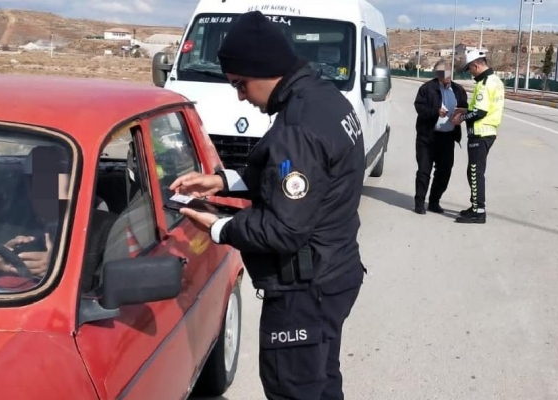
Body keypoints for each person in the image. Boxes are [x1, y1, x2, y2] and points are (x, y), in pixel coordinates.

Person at [168, 10, 366, 400]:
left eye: (240, 84)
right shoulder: (326, 99)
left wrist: (218, 226)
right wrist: (224, 181)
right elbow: (303, 178)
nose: (240, 96)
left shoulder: (297, 126)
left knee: (293, 388)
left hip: (305, 290)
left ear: (263, 69)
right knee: (322, 381)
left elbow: (285, 228)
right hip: (335, 271)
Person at [452, 51, 504, 224]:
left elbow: (480, 112)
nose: (470, 73)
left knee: (475, 172)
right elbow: (484, 108)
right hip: (488, 132)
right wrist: (465, 110)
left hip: (480, 133)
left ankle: (479, 212)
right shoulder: (496, 81)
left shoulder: (484, 84)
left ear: (476, 65)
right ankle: (475, 206)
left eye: (470, 69)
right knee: (474, 171)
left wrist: (461, 118)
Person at [412, 59, 468, 214]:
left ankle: (434, 201)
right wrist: (436, 112)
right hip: (427, 137)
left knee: (444, 171)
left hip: (448, 137)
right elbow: (420, 108)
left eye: (449, 73)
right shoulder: (426, 89)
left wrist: (460, 116)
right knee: (424, 171)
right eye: (444, 73)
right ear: (437, 74)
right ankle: (419, 203)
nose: (447, 76)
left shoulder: (458, 90)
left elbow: (465, 108)